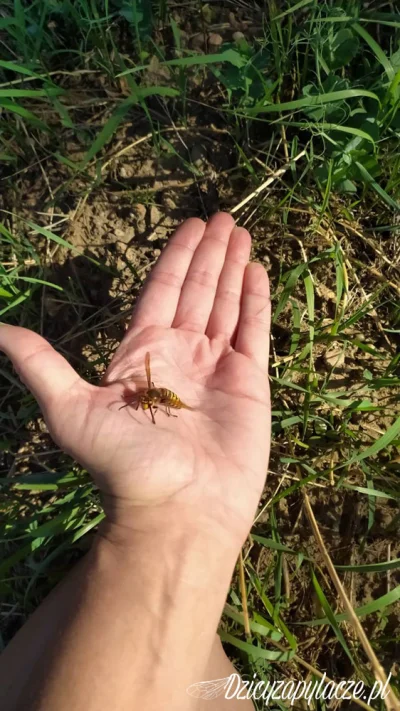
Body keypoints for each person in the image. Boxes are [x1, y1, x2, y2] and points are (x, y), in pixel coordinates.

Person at [0, 212, 271, 710]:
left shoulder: (157, 398)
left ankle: (145, 560)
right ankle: (152, 558)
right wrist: (176, 522)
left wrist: (167, 525)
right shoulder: (149, 397)